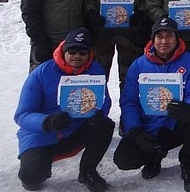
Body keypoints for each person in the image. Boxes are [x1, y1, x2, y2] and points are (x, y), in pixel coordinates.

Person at [113, 15, 190, 192]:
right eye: (159, 36)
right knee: (124, 159)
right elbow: (129, 102)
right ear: (153, 39)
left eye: (169, 36)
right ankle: (154, 154)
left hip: (175, 124)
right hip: (148, 125)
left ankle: (188, 164)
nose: (164, 41)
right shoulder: (139, 65)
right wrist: (135, 132)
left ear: (176, 38)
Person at [14, 28, 115, 191]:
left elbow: (104, 101)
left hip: (75, 129)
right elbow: (22, 115)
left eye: (83, 52)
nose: (77, 56)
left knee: (105, 124)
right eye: (72, 51)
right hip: (42, 134)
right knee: (31, 176)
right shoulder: (41, 72)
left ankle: (88, 171)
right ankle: (35, 169)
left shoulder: (95, 70)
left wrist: (99, 113)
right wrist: (47, 122)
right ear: (63, 50)